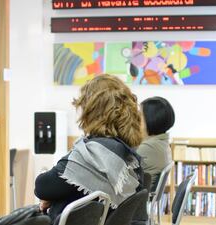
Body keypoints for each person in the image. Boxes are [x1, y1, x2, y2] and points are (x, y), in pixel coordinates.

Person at [34, 74, 144, 223]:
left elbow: (43, 186)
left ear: (92, 111)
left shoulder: (92, 153)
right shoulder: (128, 155)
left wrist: (51, 198)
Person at [137, 96, 175, 191]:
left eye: (140, 115)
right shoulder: (161, 143)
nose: (135, 119)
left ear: (151, 119)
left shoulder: (149, 147)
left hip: (133, 201)